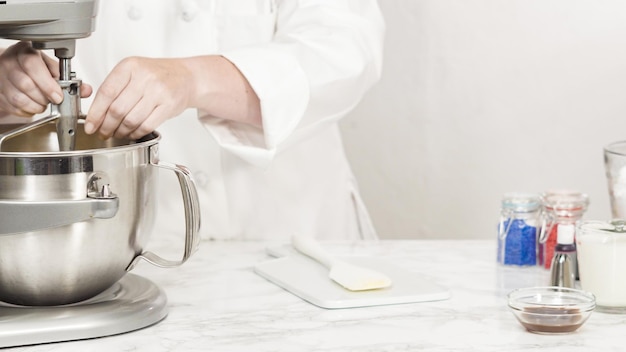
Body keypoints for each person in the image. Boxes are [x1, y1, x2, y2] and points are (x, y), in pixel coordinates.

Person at [0, 0, 385, 240]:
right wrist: (6, 83)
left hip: (288, 231)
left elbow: (345, 48)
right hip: (114, 247)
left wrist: (196, 78)